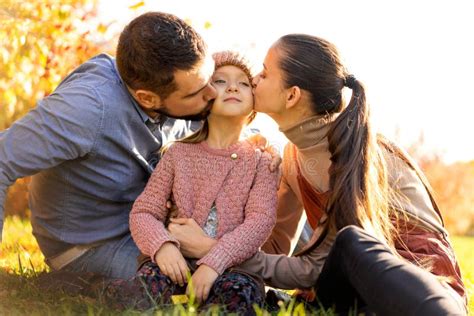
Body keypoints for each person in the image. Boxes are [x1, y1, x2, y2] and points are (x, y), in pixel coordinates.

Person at [167, 34, 467, 315]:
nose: (254, 80)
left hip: (419, 293)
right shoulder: (289, 161)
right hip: (350, 294)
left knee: (351, 243)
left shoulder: (364, 154)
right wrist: (246, 169)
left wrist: (212, 249)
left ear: (291, 96)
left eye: (265, 73)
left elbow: (315, 268)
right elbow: (272, 253)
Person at [0, 12, 217, 279]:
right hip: (89, 246)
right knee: (196, 281)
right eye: (196, 93)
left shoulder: (179, 85)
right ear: (147, 98)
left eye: (211, 78)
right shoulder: (87, 108)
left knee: (230, 258)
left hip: (147, 226)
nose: (213, 94)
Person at [101, 51, 278, 313]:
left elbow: (259, 222)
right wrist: (162, 247)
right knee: (139, 293)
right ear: (205, 96)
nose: (232, 87)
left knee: (241, 297)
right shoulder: (178, 154)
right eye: (220, 81)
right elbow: (144, 211)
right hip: (175, 263)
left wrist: (214, 262)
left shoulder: (263, 161)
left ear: (254, 101)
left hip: (232, 267)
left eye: (243, 83)